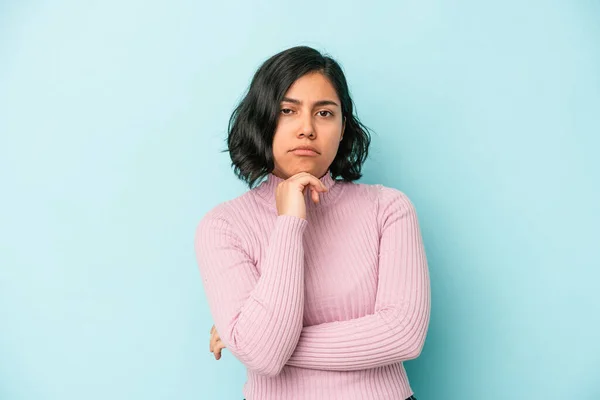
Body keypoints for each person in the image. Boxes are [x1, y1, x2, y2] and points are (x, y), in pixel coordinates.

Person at [194, 45, 430, 400]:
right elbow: (262, 354)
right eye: (288, 111)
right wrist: (289, 222)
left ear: (342, 127)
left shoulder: (388, 209)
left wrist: (250, 342)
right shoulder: (223, 226)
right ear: (262, 119)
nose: (307, 128)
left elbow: (403, 336)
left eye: (324, 113)